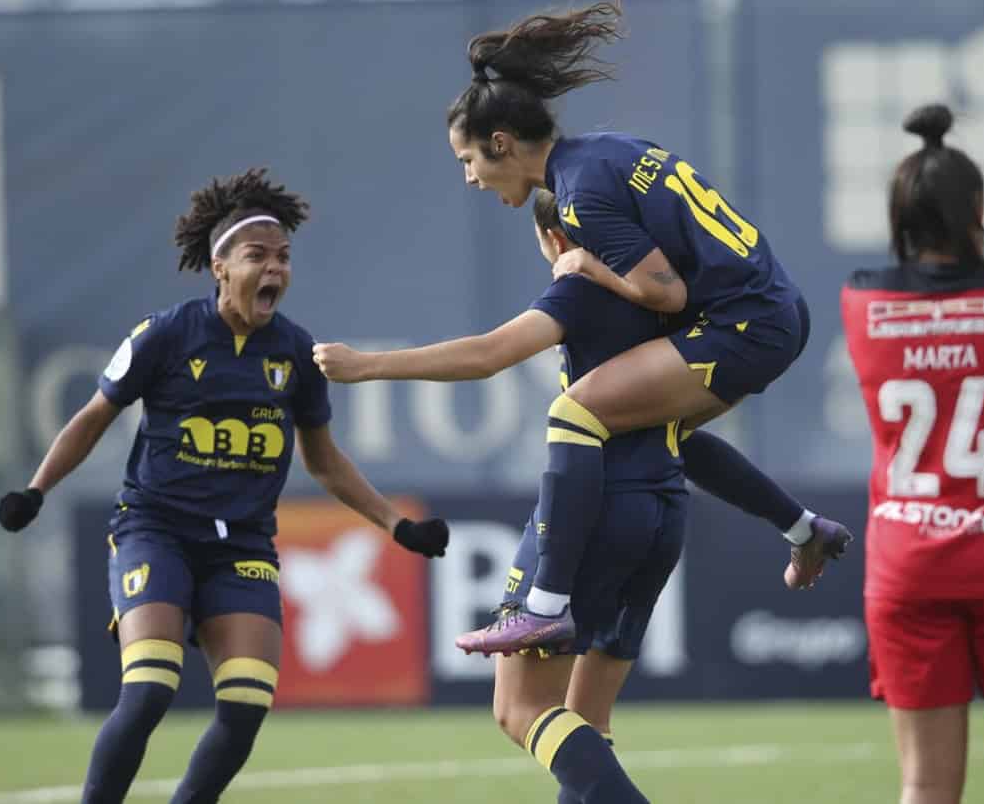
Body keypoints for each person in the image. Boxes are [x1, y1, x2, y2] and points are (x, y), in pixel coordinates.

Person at [0, 169, 449, 804]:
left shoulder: (295, 352)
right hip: (155, 531)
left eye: (284, 257)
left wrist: (397, 525)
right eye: (258, 256)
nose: (275, 269)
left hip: (241, 547)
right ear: (219, 265)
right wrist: (36, 490)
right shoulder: (167, 334)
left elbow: (323, 461)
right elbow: (93, 416)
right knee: (150, 689)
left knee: (244, 709)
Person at [427, 0, 845, 654]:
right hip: (776, 306)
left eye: (467, 160)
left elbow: (666, 289)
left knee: (574, 412)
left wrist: (590, 266)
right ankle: (803, 528)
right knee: (661, 425)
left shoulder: (576, 193)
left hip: (745, 323)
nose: (471, 177)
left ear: (501, 143)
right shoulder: (608, 149)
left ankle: (543, 606)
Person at [314, 191, 850, 657]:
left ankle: (545, 604)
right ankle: (801, 525)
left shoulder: (578, 290)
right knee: (590, 717)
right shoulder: (675, 297)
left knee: (524, 713)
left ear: (554, 237)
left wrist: (367, 365)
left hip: (598, 511)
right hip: (664, 512)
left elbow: (488, 354)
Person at [840, 105, 984, 804]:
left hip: (907, 563)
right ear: (978, 207)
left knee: (924, 785)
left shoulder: (862, 295)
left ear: (901, 210)